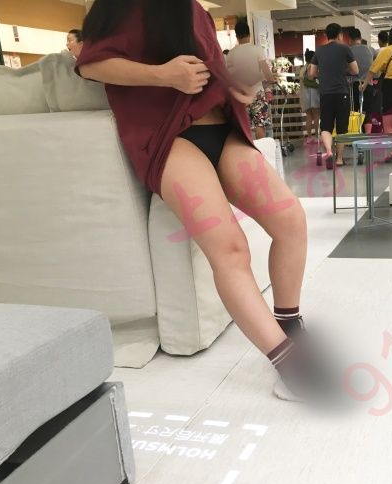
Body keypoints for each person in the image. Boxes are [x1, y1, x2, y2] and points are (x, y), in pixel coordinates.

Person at [77, 0, 322, 402]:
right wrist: (161, 75)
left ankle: (289, 324)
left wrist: (239, 88)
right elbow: (91, 64)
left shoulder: (193, 9)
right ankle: (287, 363)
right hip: (168, 138)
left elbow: (210, 71)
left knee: (290, 220)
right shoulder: (121, 6)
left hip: (223, 128)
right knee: (230, 248)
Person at [308, 23, 359, 169]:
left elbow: (311, 74)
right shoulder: (345, 48)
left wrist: (322, 73)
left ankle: (329, 152)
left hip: (325, 94)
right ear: (339, 35)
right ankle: (339, 159)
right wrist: (344, 71)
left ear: (327, 35)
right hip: (342, 93)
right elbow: (355, 70)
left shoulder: (319, 50)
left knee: (326, 126)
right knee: (342, 127)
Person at [226, 21, 276, 139]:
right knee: (260, 123)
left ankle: (247, 148)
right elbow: (266, 72)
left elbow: (228, 77)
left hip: (240, 94)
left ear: (236, 36)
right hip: (257, 92)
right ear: (249, 34)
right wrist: (271, 80)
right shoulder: (257, 49)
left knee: (244, 126)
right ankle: (260, 149)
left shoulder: (231, 54)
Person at [347, 28, 374, 134]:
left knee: (354, 111)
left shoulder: (348, 51)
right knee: (368, 111)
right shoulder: (371, 50)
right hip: (368, 84)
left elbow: (346, 69)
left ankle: (355, 134)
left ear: (350, 39)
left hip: (354, 85)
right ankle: (368, 135)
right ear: (360, 38)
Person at [300, 49, 320, 144]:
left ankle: (309, 137)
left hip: (305, 96)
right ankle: (317, 136)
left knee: (308, 116)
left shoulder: (302, 69)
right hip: (314, 95)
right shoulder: (314, 67)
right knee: (316, 116)